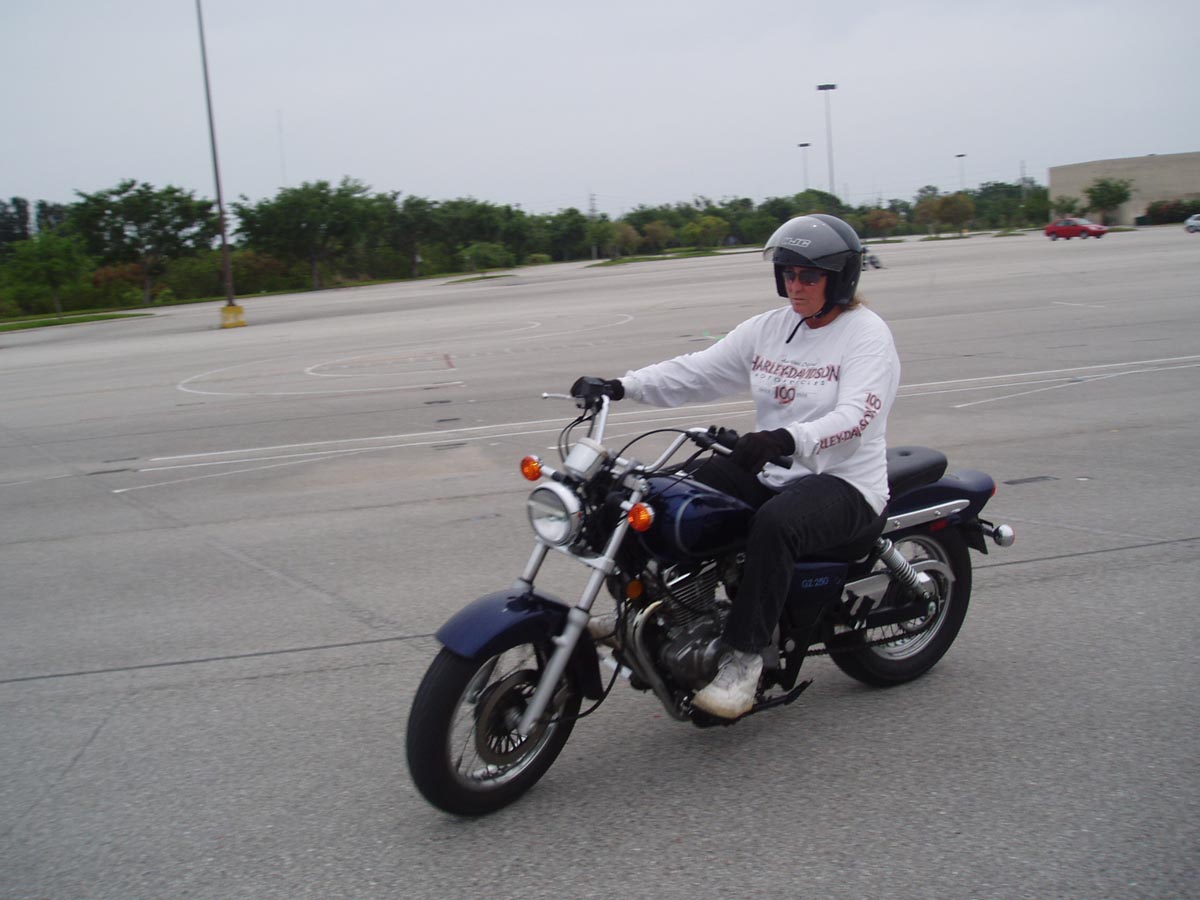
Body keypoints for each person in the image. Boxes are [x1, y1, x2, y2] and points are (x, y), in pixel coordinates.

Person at [571, 214, 901, 719]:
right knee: (657, 496)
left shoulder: (865, 335)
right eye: (788, 274)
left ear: (840, 279)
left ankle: (744, 661)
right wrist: (622, 386)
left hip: (844, 481)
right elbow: (699, 371)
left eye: (809, 276)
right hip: (775, 468)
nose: (796, 285)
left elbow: (858, 417)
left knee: (775, 524)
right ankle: (647, 612)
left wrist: (785, 438)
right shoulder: (771, 328)